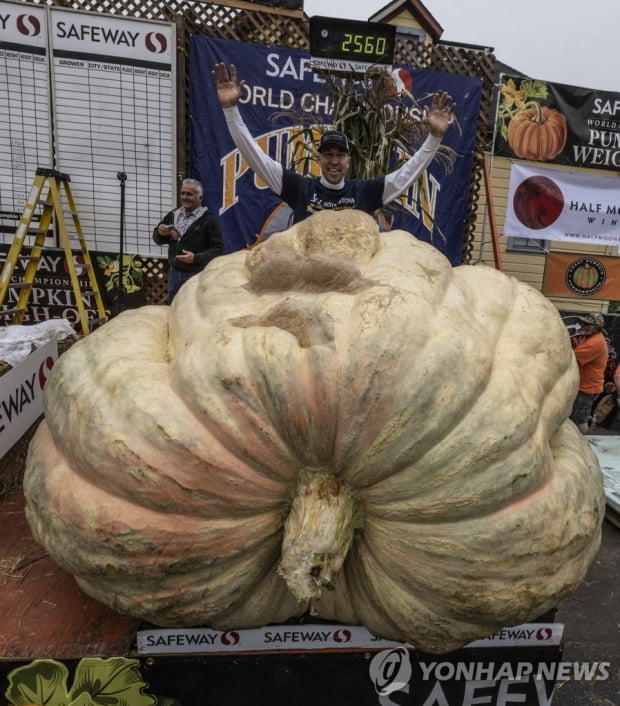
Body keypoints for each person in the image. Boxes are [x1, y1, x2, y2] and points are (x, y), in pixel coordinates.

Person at [211, 63, 455, 224]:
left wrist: (434, 138)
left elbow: (406, 176)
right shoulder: (300, 189)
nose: (334, 161)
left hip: (347, 294)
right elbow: (254, 156)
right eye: (328, 154)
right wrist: (230, 110)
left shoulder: (363, 192)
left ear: (348, 160)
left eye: (340, 154)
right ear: (320, 158)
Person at [153, 178, 224, 303]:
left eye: (189, 194)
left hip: (197, 275)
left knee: (192, 311)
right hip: (175, 273)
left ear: (200, 197)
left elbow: (218, 250)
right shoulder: (173, 215)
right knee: (173, 308)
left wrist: (195, 258)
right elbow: (157, 239)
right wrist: (160, 232)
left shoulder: (209, 221)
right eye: (182, 193)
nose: (184, 197)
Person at [569, 312, 609, 434]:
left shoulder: (594, 343)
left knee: (580, 420)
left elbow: (570, 356)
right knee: (576, 417)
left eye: (586, 324)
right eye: (582, 323)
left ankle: (582, 445)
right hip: (586, 386)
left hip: (587, 388)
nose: (582, 326)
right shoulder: (590, 338)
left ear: (595, 327)